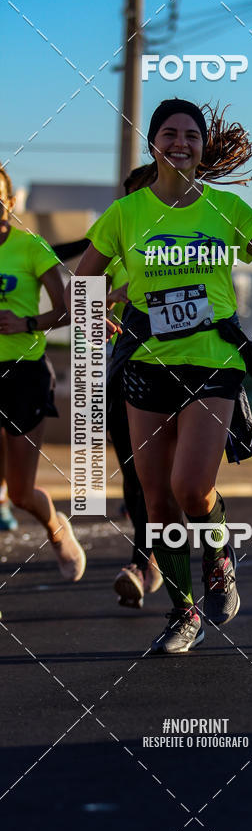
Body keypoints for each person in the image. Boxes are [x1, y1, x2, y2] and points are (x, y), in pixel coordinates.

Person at [66, 98, 252, 654]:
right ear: (152, 142)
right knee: (158, 503)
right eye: (169, 133)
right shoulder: (124, 215)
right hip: (145, 366)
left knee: (191, 488)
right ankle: (184, 612)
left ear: (204, 147)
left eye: (191, 135)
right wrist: (110, 302)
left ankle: (220, 551)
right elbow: (79, 290)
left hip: (213, 363)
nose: (180, 142)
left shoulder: (225, 208)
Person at [0, 165, 86, 579]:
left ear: (11, 203)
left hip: (23, 374)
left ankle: (55, 527)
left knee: (19, 494)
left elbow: (67, 308)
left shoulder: (31, 247)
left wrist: (27, 323)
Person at [106, 166, 164, 609]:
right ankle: (147, 561)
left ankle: (150, 562)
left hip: (181, 363)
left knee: (173, 479)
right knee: (134, 471)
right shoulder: (118, 235)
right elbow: (84, 291)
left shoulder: (185, 238)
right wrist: (101, 306)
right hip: (126, 362)